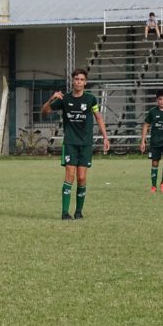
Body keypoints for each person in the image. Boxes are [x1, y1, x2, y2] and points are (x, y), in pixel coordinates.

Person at [41, 68, 110, 220]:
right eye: (76, 79)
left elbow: (98, 117)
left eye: (81, 79)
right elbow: (44, 112)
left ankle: (79, 212)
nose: (78, 82)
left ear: (85, 82)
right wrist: (51, 99)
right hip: (70, 143)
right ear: (73, 81)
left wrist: (105, 137)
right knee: (70, 176)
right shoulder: (64, 99)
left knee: (81, 178)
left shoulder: (91, 99)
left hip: (85, 144)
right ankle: (65, 212)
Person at [140, 89, 163, 193]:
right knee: (155, 163)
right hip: (155, 141)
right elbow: (146, 125)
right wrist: (143, 141)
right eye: (159, 99)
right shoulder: (152, 111)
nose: (161, 101)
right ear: (157, 100)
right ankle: (153, 186)